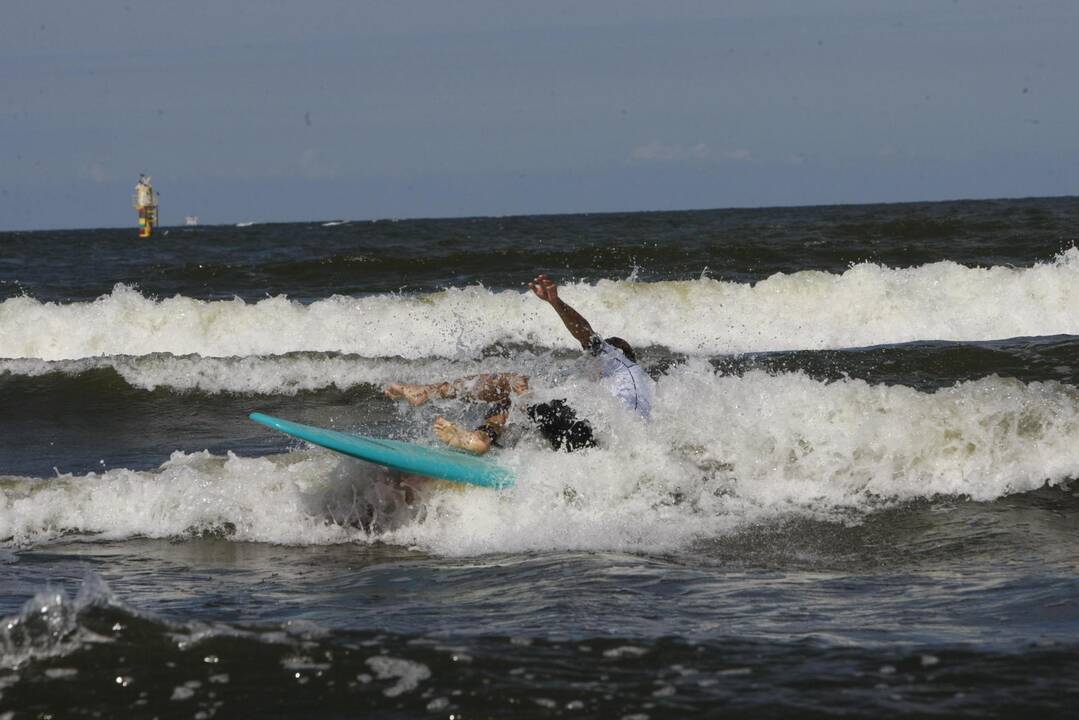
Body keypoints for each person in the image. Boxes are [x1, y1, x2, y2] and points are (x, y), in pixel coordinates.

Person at [385, 274, 655, 455]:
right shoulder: (649, 391)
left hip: (588, 435)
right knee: (521, 402)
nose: (591, 363)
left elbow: (586, 333)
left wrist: (556, 302)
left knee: (517, 384)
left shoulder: (617, 358)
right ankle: (482, 437)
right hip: (598, 451)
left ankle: (430, 393)